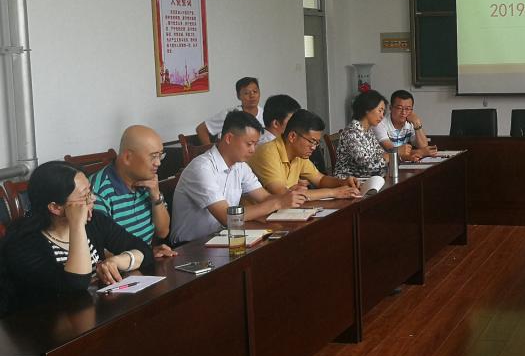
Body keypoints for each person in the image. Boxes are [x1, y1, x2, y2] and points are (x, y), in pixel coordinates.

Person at [3, 161, 154, 311]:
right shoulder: (23, 243)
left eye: (90, 191)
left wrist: (115, 261)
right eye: (84, 196)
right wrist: (77, 225)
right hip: (49, 319)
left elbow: (144, 249)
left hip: (94, 311)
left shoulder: (94, 221)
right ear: (55, 207)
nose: (93, 199)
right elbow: (77, 284)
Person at [171, 110, 306, 245]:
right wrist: (277, 203)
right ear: (229, 138)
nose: (253, 150)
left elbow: (264, 197)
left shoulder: (240, 167)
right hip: (190, 246)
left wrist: (287, 196)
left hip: (224, 237)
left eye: (255, 144)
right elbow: (227, 217)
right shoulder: (201, 168)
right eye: (249, 144)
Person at [90, 125, 176, 259]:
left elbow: (163, 232)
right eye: (153, 156)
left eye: (160, 156)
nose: (158, 163)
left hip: (141, 258)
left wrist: (156, 197)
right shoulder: (98, 192)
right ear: (127, 158)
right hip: (117, 267)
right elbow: (100, 252)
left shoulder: (147, 181)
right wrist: (146, 254)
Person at [250, 108, 361, 200]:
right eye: (311, 141)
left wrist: (343, 182)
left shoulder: (299, 155)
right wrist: (334, 192)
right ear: (292, 136)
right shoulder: (268, 152)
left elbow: (320, 180)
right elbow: (283, 194)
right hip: (259, 216)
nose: (314, 147)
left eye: (316, 143)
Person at [334, 90, 390, 179]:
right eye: (380, 111)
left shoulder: (368, 131)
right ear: (367, 109)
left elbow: (379, 154)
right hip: (350, 182)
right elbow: (368, 165)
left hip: (369, 179)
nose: (382, 116)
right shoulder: (352, 132)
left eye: (383, 112)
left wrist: (387, 157)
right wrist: (392, 156)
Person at [195, 76, 265, 146]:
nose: (252, 95)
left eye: (255, 91)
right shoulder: (230, 114)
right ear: (238, 96)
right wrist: (211, 150)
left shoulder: (265, 114)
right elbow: (201, 129)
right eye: (246, 93)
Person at [374, 90, 434, 162]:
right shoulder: (380, 123)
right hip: (384, 164)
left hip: (401, 163)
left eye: (408, 108)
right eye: (399, 108)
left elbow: (424, 146)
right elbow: (391, 151)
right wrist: (418, 152)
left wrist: (417, 123)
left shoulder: (410, 123)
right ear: (390, 108)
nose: (404, 112)